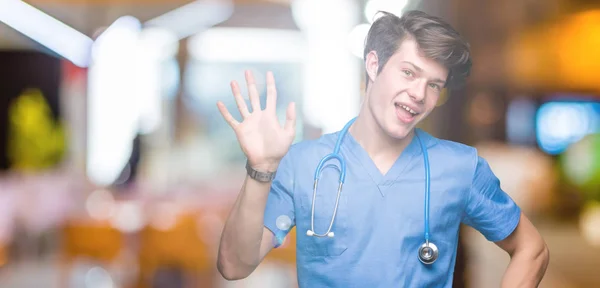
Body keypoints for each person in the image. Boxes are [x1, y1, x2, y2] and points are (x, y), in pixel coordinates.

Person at [215, 10, 549, 287]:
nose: (420, 94)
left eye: (434, 85)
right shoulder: (303, 164)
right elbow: (234, 265)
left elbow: (531, 249)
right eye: (408, 72)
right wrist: (261, 167)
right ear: (373, 65)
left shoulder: (460, 167)